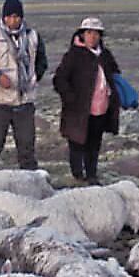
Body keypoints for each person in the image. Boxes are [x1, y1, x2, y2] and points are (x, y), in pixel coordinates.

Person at [0, 0, 49, 179]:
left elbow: (41, 62)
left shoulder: (33, 37)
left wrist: (32, 79)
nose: (13, 20)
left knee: (27, 151)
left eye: (16, 16)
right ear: (4, 17)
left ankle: (32, 187)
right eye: (9, 16)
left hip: (24, 103)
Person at [51, 16, 121, 184]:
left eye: (96, 33)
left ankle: (91, 174)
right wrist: (70, 98)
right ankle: (77, 175)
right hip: (78, 109)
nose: (93, 37)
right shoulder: (73, 55)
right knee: (76, 142)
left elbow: (115, 74)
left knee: (94, 143)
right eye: (89, 33)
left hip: (101, 108)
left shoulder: (105, 55)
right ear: (82, 34)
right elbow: (59, 79)